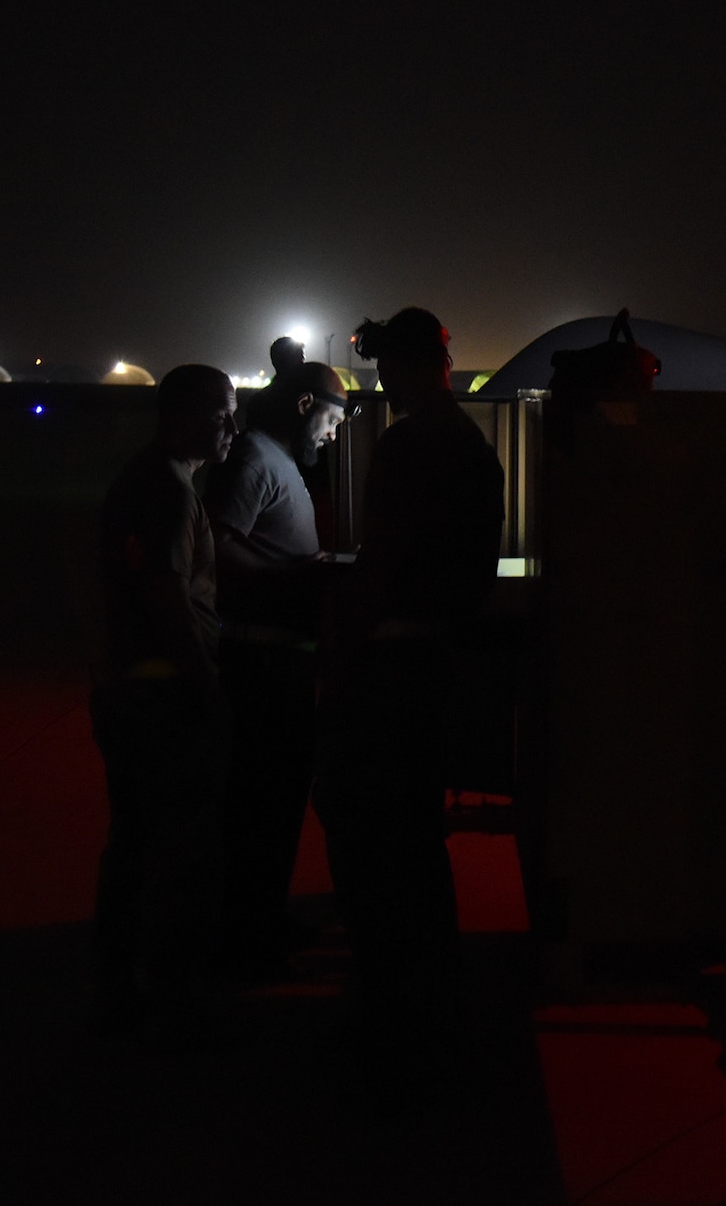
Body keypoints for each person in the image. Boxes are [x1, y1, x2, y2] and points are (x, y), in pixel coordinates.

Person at [315, 307, 504, 1070]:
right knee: (417, 842)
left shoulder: (409, 442)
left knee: (370, 837)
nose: (384, 385)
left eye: (389, 369)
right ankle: (430, 1000)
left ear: (416, 366)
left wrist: (340, 645)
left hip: (389, 669)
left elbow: (383, 561)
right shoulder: (470, 446)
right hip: (433, 661)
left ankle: (393, 1011)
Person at [89, 364, 238, 1036]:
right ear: (182, 418)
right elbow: (168, 598)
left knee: (135, 839)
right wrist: (206, 684)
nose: (231, 428)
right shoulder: (170, 493)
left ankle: (120, 981)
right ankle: (171, 997)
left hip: (130, 689)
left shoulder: (147, 480)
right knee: (176, 847)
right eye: (220, 415)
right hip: (161, 697)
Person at [204, 360, 350, 976]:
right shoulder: (255, 459)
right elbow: (215, 546)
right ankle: (246, 935)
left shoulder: (271, 459)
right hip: (259, 663)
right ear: (304, 405)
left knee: (277, 802)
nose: (334, 434)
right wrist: (294, 578)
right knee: (260, 804)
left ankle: (261, 918)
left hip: (279, 660)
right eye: (332, 419)